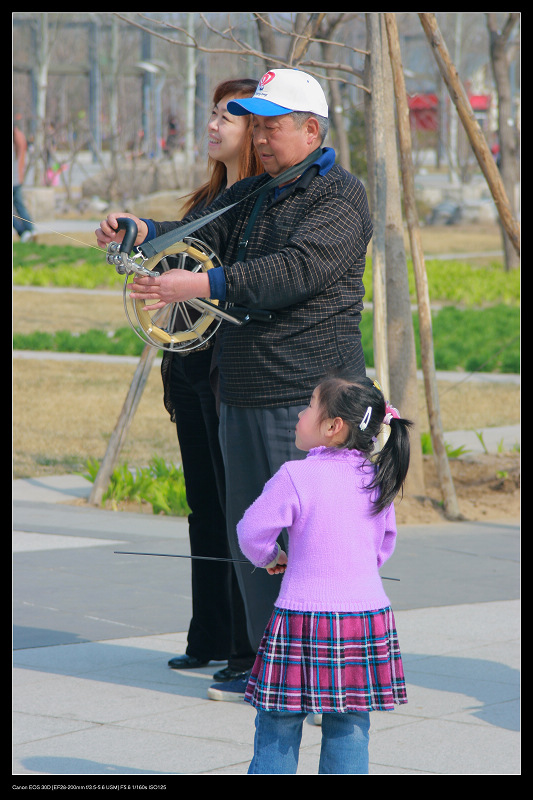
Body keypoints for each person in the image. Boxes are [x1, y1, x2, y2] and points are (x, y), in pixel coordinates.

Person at [95, 68, 373, 701]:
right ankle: (269, 664)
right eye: (261, 126)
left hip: (308, 400)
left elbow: (294, 270)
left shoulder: (341, 196)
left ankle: (315, 667)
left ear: (311, 129)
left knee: (306, 541)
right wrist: (138, 233)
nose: (263, 138)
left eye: (273, 126)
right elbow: (198, 240)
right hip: (241, 390)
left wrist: (200, 286)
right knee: (253, 534)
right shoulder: (254, 193)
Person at [236, 375, 412, 774]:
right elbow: (384, 545)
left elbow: (250, 531)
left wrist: (269, 556)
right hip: (365, 619)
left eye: (309, 406)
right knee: (350, 724)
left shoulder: (296, 476)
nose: (300, 413)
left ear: (333, 427)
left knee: (279, 721)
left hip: (302, 618)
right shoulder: (376, 477)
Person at [160, 79, 263, 681]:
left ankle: (242, 647)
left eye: (229, 114)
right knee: (204, 506)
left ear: (256, 131)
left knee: (234, 507)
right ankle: (209, 634)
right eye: (212, 112)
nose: (213, 123)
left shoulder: (254, 204)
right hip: (189, 368)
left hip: (232, 371)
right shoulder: (204, 199)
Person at [13, 123, 34, 242]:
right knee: (20, 206)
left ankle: (22, 232)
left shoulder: (17, 136)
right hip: (17, 180)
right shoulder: (19, 136)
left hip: (15, 180)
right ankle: (30, 229)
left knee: (19, 206)